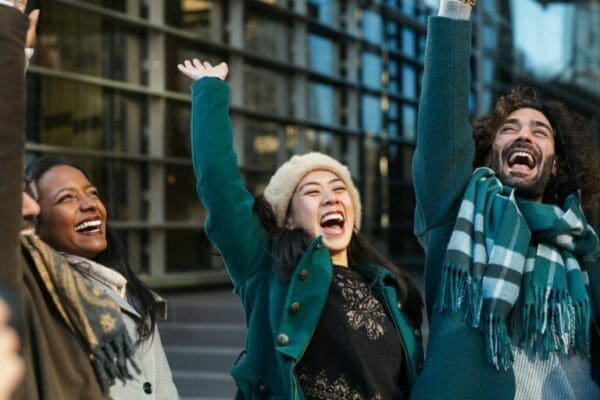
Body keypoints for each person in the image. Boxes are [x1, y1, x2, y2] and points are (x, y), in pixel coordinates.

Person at [177, 59, 424, 399]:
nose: (330, 198)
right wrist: (209, 90)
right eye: (312, 192)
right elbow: (220, 189)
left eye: (339, 190)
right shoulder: (267, 268)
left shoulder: (386, 287)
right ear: (289, 219)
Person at [411, 1, 600, 399]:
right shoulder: (459, 213)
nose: (524, 136)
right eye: (508, 128)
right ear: (490, 149)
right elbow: (440, 131)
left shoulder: (583, 247)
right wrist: (455, 11)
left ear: (554, 165)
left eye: (540, 132)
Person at [1, 1, 131, 399]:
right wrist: (9, 43)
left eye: (92, 192)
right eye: (66, 198)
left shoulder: (108, 294)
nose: (30, 206)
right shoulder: (20, 278)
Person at [24, 157, 179, 399]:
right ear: (35, 222)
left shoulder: (124, 288)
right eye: (67, 198)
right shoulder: (42, 297)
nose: (89, 204)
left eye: (92, 193)